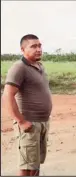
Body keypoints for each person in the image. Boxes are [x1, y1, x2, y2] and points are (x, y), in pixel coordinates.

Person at [2, 34, 52, 176]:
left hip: (42, 122)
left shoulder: (39, 66)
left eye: (40, 45)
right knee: (27, 167)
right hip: (29, 124)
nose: (38, 49)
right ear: (23, 49)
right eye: (33, 46)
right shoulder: (19, 68)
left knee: (35, 164)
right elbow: (7, 95)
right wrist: (21, 121)